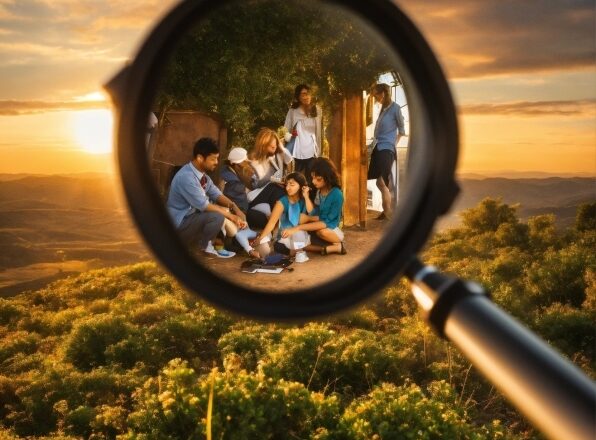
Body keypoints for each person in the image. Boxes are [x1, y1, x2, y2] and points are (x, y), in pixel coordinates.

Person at [166, 137, 248, 258]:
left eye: (217, 158)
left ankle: (208, 244)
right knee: (217, 216)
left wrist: (235, 208)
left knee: (223, 210)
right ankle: (203, 247)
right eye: (213, 159)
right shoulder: (187, 177)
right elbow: (205, 206)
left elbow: (217, 194)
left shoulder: (203, 176)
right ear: (200, 158)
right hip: (179, 224)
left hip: (191, 219)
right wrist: (232, 216)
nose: (216, 162)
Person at [252, 172, 314, 263]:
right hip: (285, 236)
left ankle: (298, 251)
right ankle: (298, 252)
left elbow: (312, 213)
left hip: (302, 234)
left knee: (299, 233)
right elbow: (272, 222)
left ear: (301, 186)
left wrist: (306, 197)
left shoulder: (304, 199)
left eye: (292, 184)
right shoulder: (282, 202)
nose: (287, 188)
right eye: (287, 184)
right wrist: (260, 238)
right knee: (276, 248)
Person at [367, 83, 405, 220]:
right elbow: (378, 133)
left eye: (376, 94)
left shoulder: (395, 108)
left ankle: (388, 212)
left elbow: (401, 130)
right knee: (379, 182)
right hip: (378, 147)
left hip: (386, 149)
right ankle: (385, 211)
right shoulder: (383, 109)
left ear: (383, 93)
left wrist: (392, 144)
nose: (375, 97)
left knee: (382, 182)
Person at [247, 127, 293, 217]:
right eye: (272, 147)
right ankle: (278, 220)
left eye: (276, 146)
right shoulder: (254, 160)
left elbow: (289, 159)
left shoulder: (277, 156)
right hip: (255, 195)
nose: (274, 149)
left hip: (272, 192)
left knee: (283, 189)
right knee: (275, 188)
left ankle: (280, 219)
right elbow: (255, 184)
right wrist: (274, 180)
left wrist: (281, 147)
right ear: (263, 146)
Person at [220, 147, 268, 230]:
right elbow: (240, 206)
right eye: (244, 162)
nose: (247, 164)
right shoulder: (234, 182)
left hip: (242, 205)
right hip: (239, 211)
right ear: (236, 164)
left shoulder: (226, 169)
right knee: (263, 219)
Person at [284, 84, 322, 177]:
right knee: (297, 178)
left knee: (312, 179)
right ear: (298, 97)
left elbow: (319, 132)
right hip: (297, 151)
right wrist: (290, 135)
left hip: (312, 151)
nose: (306, 96)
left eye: (308, 93)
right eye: (303, 94)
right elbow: (285, 129)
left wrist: (319, 151)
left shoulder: (317, 110)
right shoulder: (293, 111)